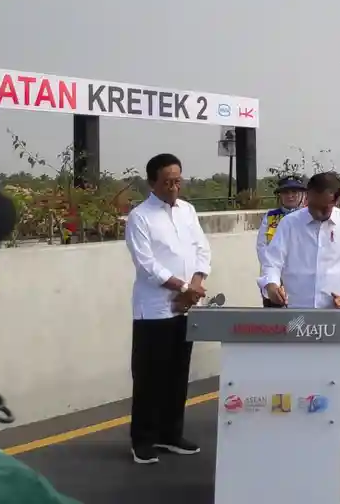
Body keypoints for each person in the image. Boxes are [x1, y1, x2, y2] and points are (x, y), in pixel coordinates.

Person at [124, 153, 211, 464]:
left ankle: (170, 434)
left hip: (185, 308)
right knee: (150, 377)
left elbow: (202, 249)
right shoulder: (140, 217)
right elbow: (147, 265)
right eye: (167, 182)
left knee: (177, 374)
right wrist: (184, 288)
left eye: (178, 180)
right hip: (154, 310)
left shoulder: (188, 211)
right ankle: (143, 440)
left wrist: (195, 284)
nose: (174, 187)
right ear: (152, 183)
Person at [259, 172, 340, 310]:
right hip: (297, 310)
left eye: (324, 208)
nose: (317, 213)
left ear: (336, 200)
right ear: (307, 197)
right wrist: (271, 285)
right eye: (313, 206)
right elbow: (272, 262)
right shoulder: (289, 223)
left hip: (335, 311)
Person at [256, 175, 307, 307]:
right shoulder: (271, 216)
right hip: (275, 280)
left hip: (301, 279)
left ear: (302, 194)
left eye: (294, 192)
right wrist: (274, 275)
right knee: (275, 322)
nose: (290, 196)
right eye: (286, 192)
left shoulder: (308, 216)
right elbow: (262, 247)